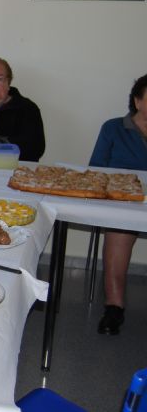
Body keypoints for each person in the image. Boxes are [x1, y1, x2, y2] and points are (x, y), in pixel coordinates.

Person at [90, 73, 147, 335]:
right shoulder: (113, 128)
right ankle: (114, 307)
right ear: (137, 101)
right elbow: (96, 171)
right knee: (119, 229)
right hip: (122, 201)